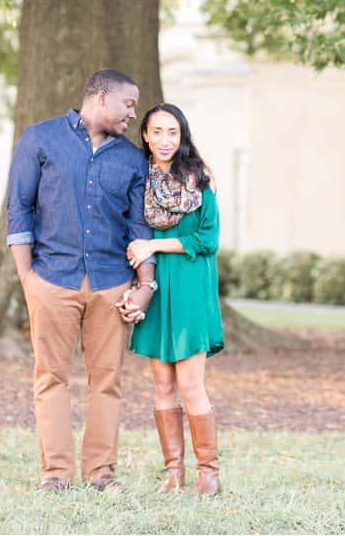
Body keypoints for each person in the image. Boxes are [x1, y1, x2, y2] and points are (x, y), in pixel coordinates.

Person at [6, 68, 157, 493]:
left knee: (106, 381)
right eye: (128, 104)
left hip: (111, 283)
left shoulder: (131, 159)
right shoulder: (40, 139)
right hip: (51, 279)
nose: (133, 114)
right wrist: (28, 280)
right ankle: (55, 474)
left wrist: (144, 286)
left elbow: (139, 227)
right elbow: (19, 209)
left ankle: (101, 473)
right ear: (102, 96)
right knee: (50, 377)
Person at [124, 103, 224, 496]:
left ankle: (208, 473)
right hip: (157, 288)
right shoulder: (140, 185)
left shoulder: (199, 182)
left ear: (182, 137)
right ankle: (173, 473)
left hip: (190, 287)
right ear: (146, 137)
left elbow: (208, 240)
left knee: (190, 383)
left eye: (173, 132)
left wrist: (154, 244)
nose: (165, 140)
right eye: (158, 132)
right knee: (162, 383)